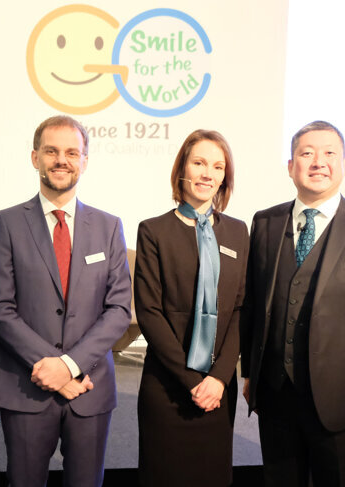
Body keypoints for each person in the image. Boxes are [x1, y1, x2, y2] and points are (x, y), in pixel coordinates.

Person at [240, 121, 345, 487]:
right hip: (275, 390)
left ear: (344, 163)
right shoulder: (265, 222)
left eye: (329, 153)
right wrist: (249, 372)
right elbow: (252, 303)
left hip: (342, 394)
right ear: (290, 166)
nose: (318, 162)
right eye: (307, 153)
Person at [0, 115, 131, 487]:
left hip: (89, 387)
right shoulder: (7, 223)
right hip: (25, 386)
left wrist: (68, 365)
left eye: (71, 152)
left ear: (84, 161)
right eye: (51, 151)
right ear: (35, 158)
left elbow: (118, 311)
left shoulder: (108, 226)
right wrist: (49, 367)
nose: (61, 160)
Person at [134, 130, 248, 487]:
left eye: (217, 166)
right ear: (182, 168)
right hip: (168, 386)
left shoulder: (238, 232)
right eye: (199, 162)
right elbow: (150, 312)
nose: (207, 173)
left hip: (217, 390)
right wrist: (192, 381)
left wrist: (218, 379)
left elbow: (243, 309)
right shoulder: (153, 231)